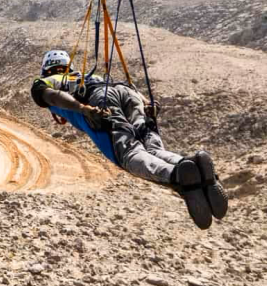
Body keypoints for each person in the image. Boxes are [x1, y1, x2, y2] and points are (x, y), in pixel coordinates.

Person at [30, 49, 228, 229]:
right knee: (152, 147)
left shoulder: (48, 80)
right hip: (126, 93)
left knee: (129, 154)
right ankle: (190, 165)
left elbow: (51, 96)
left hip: (100, 100)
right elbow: (125, 87)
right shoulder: (89, 75)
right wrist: (147, 104)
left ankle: (175, 174)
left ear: (46, 69)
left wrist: (84, 109)